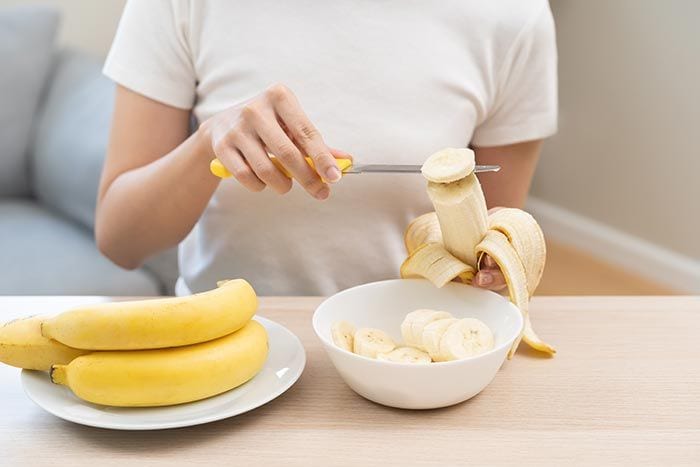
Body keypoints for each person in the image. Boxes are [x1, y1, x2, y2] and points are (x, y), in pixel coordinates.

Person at [97, 0, 557, 296]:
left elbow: (497, 248)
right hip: (223, 352)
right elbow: (121, 240)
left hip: (415, 354)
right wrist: (206, 145)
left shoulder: (513, 17)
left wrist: (497, 270)